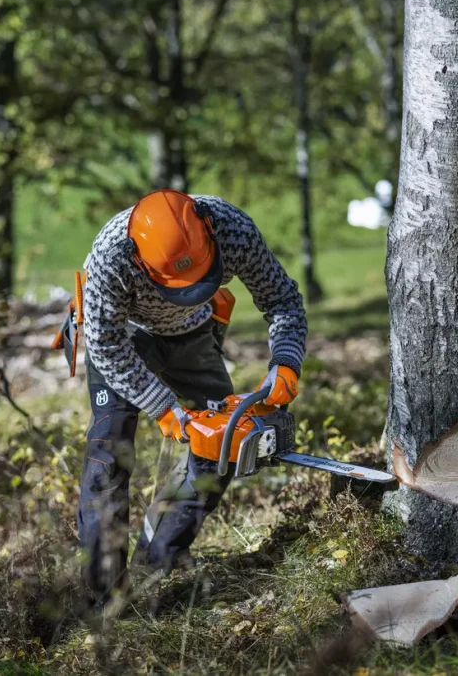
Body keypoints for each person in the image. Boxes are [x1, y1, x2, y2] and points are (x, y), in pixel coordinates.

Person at [60, 189, 307, 604]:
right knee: (108, 457)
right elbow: (105, 346)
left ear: (208, 234)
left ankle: (157, 563)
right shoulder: (112, 256)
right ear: (139, 259)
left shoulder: (233, 229)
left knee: (225, 440)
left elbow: (282, 299)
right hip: (125, 338)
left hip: (194, 331)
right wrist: (162, 406)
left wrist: (285, 361)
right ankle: (104, 599)